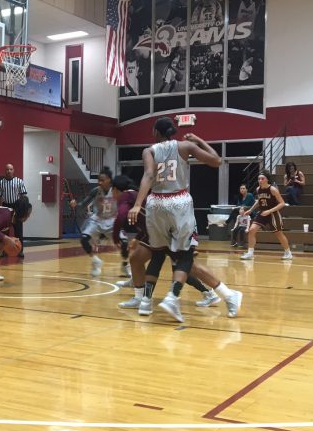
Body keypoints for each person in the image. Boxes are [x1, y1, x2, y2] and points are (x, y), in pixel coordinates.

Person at [128, 117, 243, 321]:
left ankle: (154, 300)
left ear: (155, 132)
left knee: (170, 256)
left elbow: (148, 175)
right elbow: (216, 161)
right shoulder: (185, 145)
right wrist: (199, 139)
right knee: (182, 257)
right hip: (178, 202)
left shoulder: (149, 151)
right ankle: (165, 298)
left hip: (156, 203)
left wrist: (138, 204)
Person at [111, 175, 226, 312]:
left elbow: (122, 216)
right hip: (161, 232)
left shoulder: (127, 196)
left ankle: (218, 293)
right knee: (138, 259)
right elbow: (147, 221)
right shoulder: (142, 196)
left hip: (169, 232)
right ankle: (141, 294)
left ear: (115, 189)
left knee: (182, 267)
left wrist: (115, 236)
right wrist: (138, 237)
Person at [70, 167, 119, 277]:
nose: (100, 182)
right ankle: (96, 261)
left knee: (123, 244)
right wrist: (76, 204)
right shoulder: (96, 191)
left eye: (102, 180)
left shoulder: (116, 190)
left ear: (109, 180)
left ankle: (126, 265)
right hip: (98, 219)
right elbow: (83, 204)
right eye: (99, 180)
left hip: (112, 220)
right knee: (83, 239)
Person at [239, 172, 292, 260]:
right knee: (252, 230)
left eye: (262, 178)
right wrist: (251, 210)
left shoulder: (273, 189)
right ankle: (250, 253)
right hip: (262, 212)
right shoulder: (258, 189)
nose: (260, 180)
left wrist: (269, 211)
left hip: (273, 213)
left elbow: (282, 203)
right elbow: (259, 201)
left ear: (267, 179)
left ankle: (288, 252)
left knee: (279, 234)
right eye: (259, 179)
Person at [0, 164, 28, 257]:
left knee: (18, 230)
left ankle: (20, 251)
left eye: (11, 169)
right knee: (5, 231)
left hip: (17, 206)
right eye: (7, 169)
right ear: (5, 171)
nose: (9, 171)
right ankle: (4, 251)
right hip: (5, 207)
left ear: (14, 170)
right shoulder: (0, 183)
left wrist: (23, 210)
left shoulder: (19, 181)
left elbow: (23, 197)